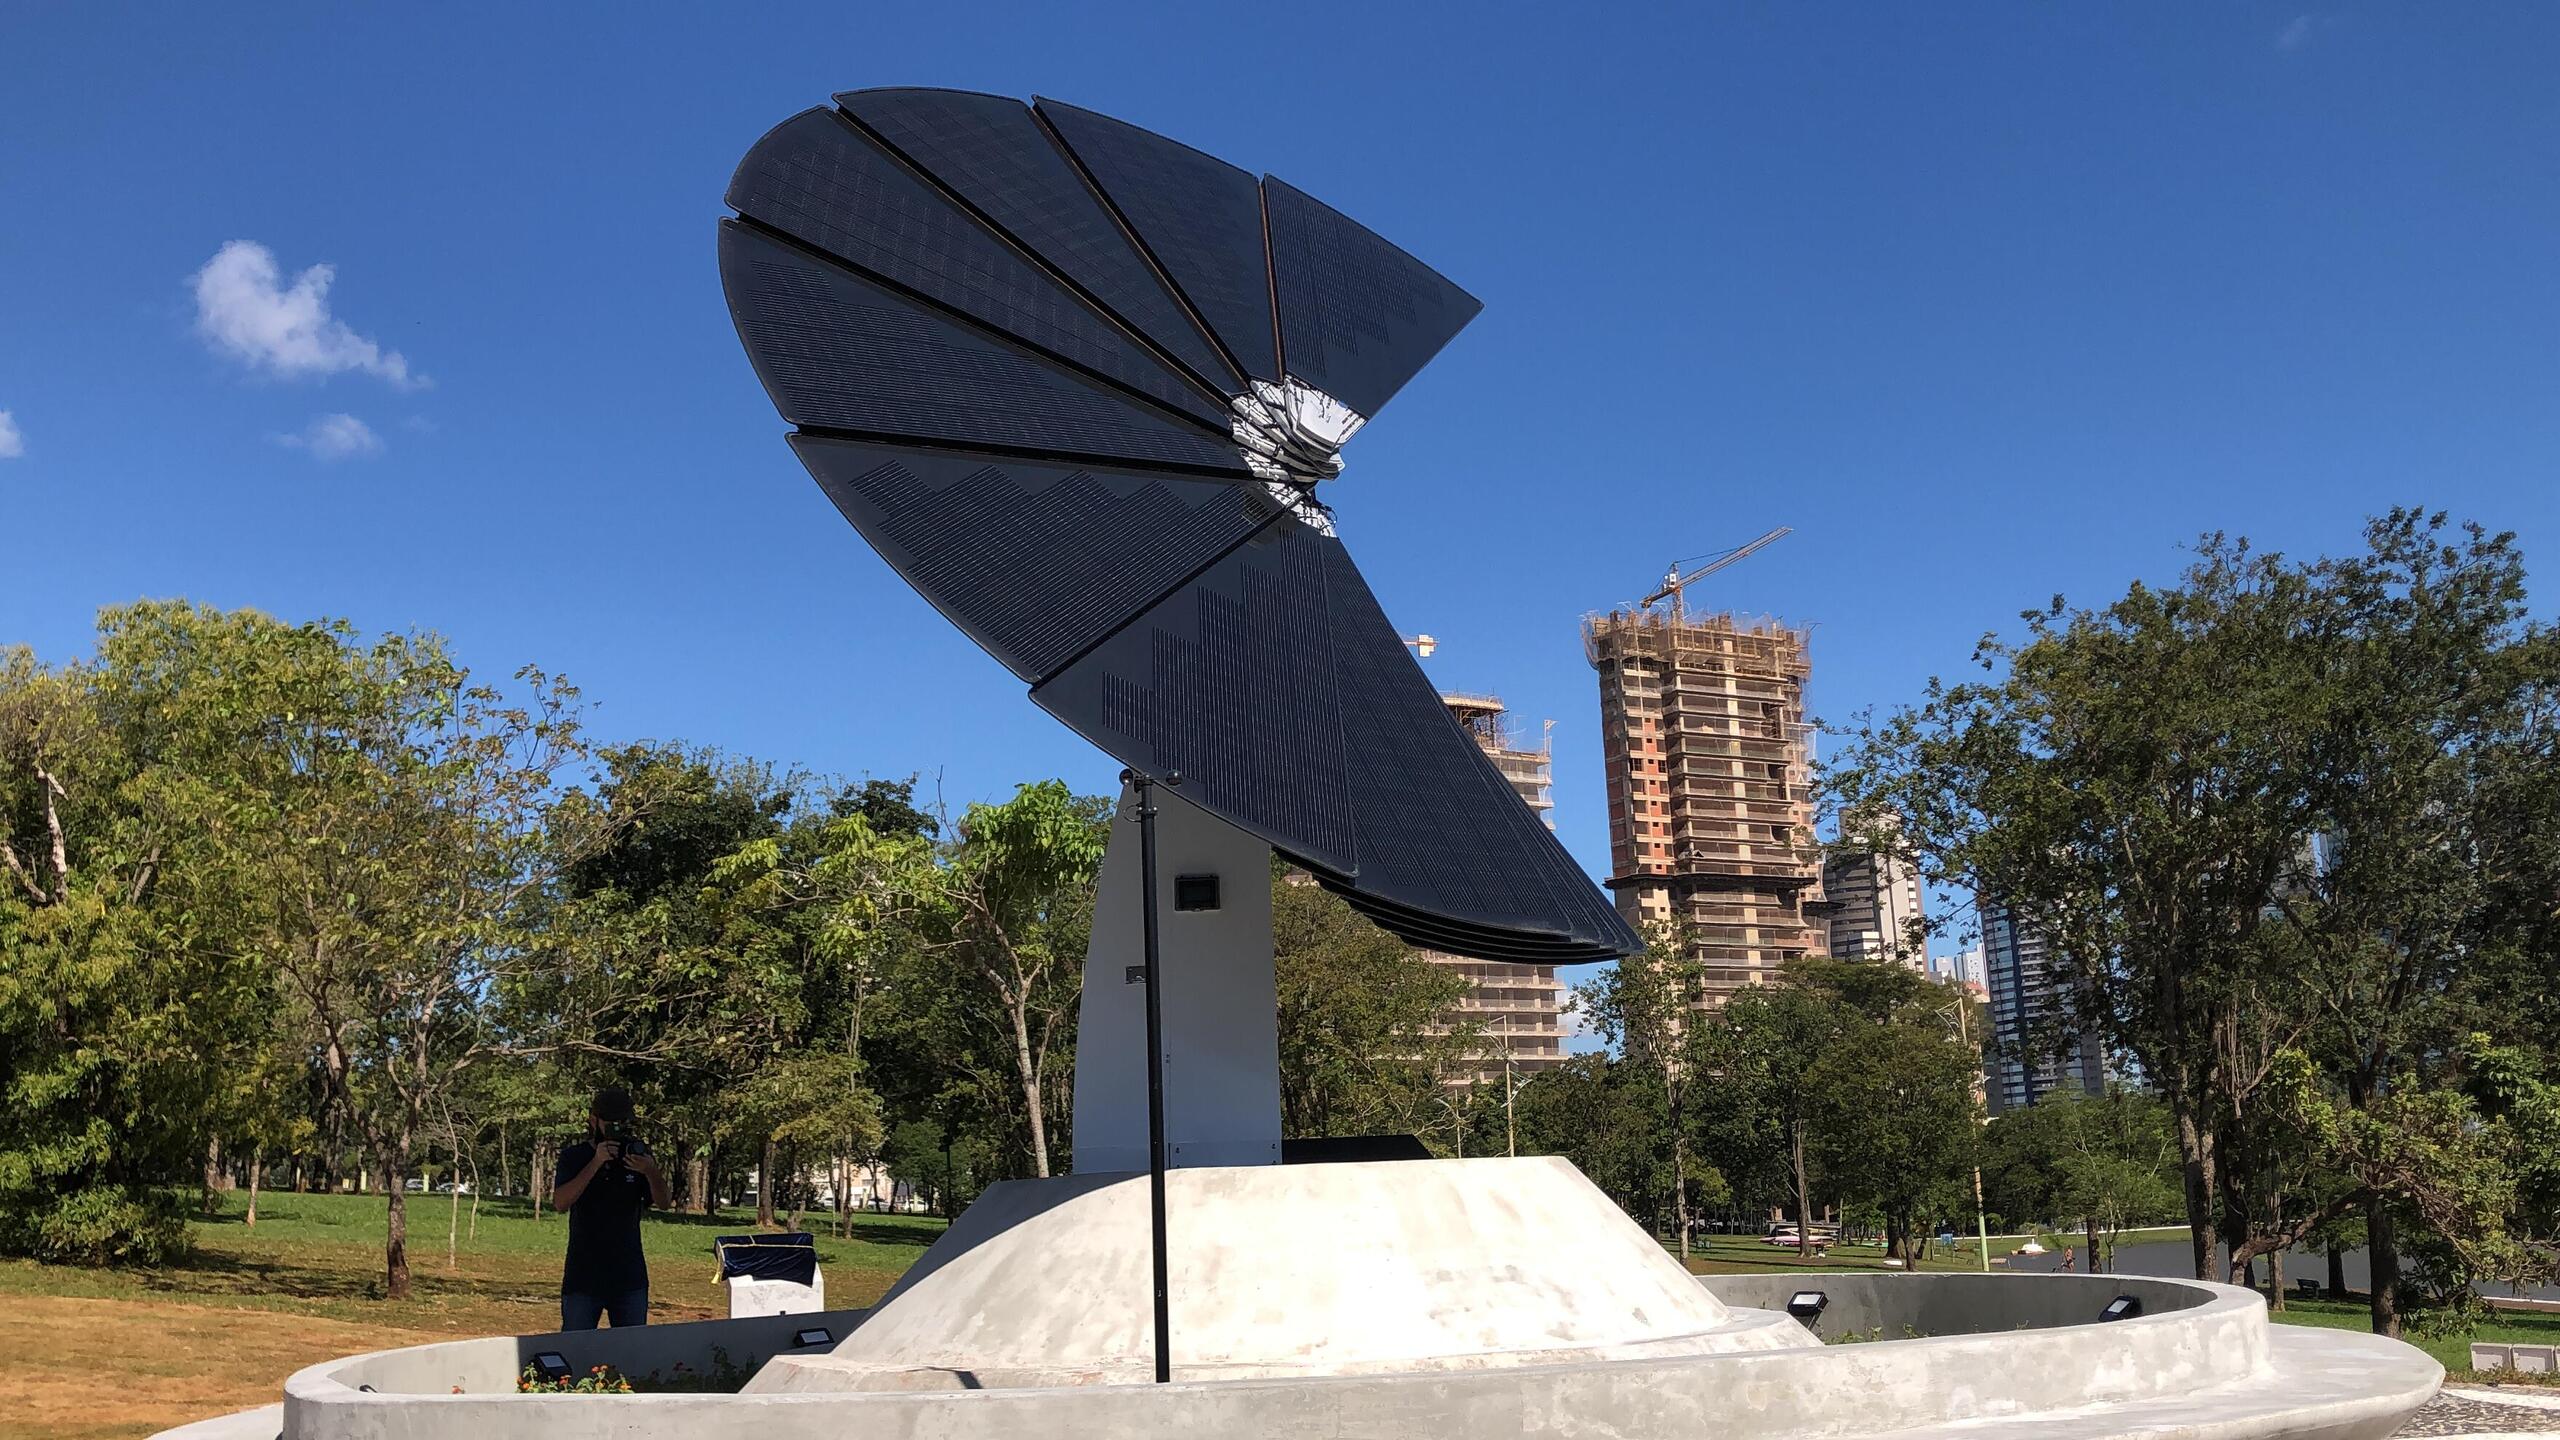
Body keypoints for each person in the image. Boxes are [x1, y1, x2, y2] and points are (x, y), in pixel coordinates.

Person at [552, 1087, 671, 1330]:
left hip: (629, 1276)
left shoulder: (636, 1154)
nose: (617, 1127)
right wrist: (595, 1162)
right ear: (593, 1120)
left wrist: (651, 1171)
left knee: (632, 1352)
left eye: (622, 1122)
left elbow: (664, 1203)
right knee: (576, 1349)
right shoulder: (574, 1156)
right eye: (611, 1122)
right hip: (583, 1276)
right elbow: (560, 1203)